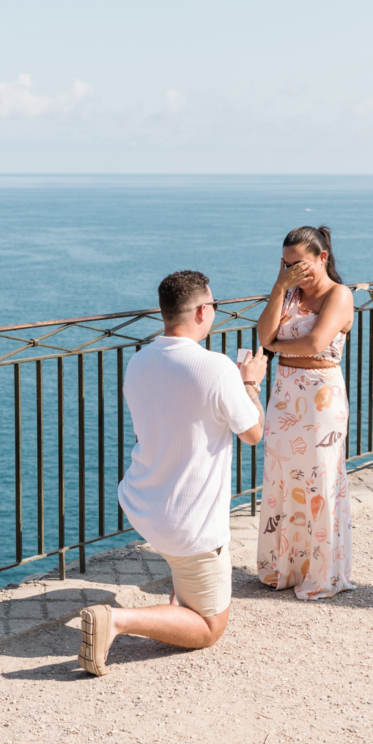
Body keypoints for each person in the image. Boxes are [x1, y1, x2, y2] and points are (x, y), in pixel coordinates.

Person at [77, 270, 267, 676]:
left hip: (144, 504)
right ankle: (117, 621)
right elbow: (253, 433)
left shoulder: (139, 361)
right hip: (190, 525)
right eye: (213, 304)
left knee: (186, 574)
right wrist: (249, 383)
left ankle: (180, 595)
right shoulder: (216, 369)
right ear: (202, 311)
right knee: (209, 628)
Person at [253, 225, 355, 600]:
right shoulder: (289, 293)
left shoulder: (338, 295)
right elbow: (263, 335)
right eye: (286, 264)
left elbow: (315, 342)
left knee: (320, 478)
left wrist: (278, 345)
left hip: (320, 398)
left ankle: (322, 572)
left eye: (299, 264)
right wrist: (279, 288)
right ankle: (284, 568)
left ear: (322, 258)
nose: (293, 270)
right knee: (283, 478)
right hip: (285, 395)